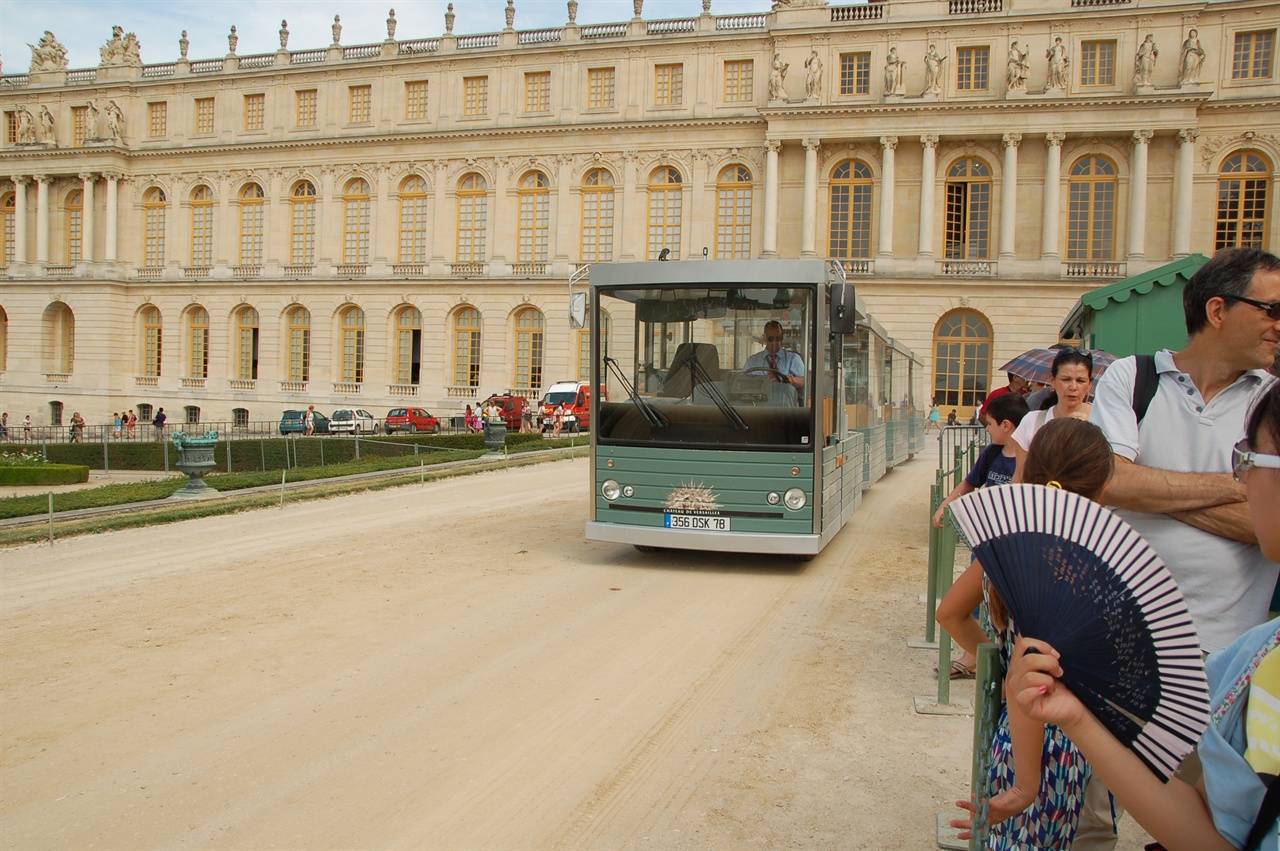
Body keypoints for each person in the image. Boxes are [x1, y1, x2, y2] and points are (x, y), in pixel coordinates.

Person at [1005, 383, 1280, 851]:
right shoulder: (1259, 653)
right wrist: (1079, 719)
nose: (1242, 483)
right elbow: (1217, 837)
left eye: (1247, 462)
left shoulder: (1260, 656)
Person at [1089, 246, 1279, 654]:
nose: (1279, 325)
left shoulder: (1273, 403)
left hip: (1219, 650)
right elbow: (1108, 482)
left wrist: (1145, 490)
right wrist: (1238, 484)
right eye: (1272, 310)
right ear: (1217, 311)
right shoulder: (1133, 377)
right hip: (1114, 627)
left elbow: (1270, 529)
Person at [950, 417, 1118, 849]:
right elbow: (1036, 662)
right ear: (1102, 489)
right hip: (1068, 749)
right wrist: (1027, 787)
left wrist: (1004, 672)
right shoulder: (1089, 565)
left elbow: (950, 613)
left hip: (1013, 735)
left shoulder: (1007, 549)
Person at [934, 392, 1031, 678]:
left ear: (1007, 426)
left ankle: (1003, 663)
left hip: (1012, 545)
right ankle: (975, 655)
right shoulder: (991, 454)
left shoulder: (1030, 459)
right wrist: (944, 505)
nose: (986, 430)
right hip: (985, 540)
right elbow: (968, 483)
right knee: (973, 598)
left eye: (989, 424)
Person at [1010, 348, 1094, 482]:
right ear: (1052, 381)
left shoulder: (1102, 420)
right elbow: (1020, 476)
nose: (1073, 387)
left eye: (1080, 381)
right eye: (1066, 379)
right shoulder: (1032, 421)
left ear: (1089, 384)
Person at [743, 320, 805, 392]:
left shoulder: (793, 358)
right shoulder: (753, 361)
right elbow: (741, 381)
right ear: (764, 337)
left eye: (779, 338)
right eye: (771, 338)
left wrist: (793, 380)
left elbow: (805, 381)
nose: (775, 342)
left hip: (784, 400)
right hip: (758, 401)